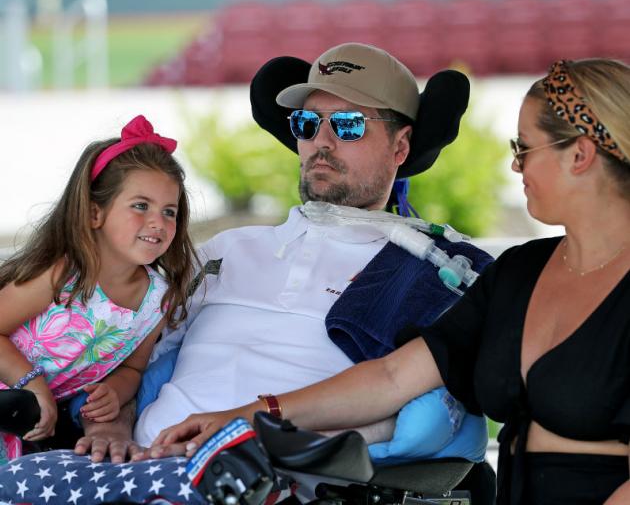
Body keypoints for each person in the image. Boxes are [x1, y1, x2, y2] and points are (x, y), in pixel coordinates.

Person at [0, 43, 494, 504]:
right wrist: (114, 425)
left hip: (263, 477)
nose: (320, 142)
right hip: (135, 466)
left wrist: (270, 437)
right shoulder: (225, 251)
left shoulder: (431, 269)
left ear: (401, 147)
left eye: (347, 126)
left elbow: (409, 397)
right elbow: (133, 357)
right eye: (306, 123)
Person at [155, 58, 630, 504]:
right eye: (308, 124)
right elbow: (392, 377)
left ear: (581, 155)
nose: (515, 165)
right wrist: (248, 416)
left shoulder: (453, 264)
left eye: (522, 148)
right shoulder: (519, 270)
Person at [0, 115, 197, 464]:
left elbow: (134, 369)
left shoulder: (157, 298)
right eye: (141, 205)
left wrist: (114, 392)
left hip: (38, 412)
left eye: (170, 211)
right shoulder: (62, 274)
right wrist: (31, 382)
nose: (158, 222)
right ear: (95, 213)